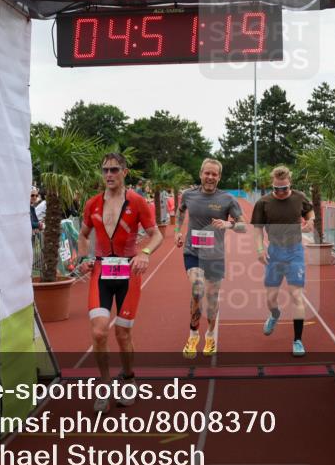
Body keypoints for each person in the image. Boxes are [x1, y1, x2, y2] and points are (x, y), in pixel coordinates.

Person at [76, 153, 162, 413]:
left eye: (114, 170)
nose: (109, 175)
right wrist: (84, 258)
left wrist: (145, 253)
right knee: (99, 331)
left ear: (125, 172)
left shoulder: (137, 202)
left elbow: (155, 234)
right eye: (105, 170)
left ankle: (128, 377)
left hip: (128, 274)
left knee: (122, 333)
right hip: (101, 272)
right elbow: (83, 235)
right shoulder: (92, 204)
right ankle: (104, 385)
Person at [176, 158, 245, 358]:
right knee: (197, 290)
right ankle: (193, 334)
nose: (210, 177)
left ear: (219, 177)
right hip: (193, 252)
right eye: (207, 173)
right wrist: (177, 231)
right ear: (201, 173)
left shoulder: (227, 199)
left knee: (212, 299)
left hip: (215, 255)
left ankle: (210, 335)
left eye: (214, 174)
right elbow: (180, 212)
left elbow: (243, 226)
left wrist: (228, 225)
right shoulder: (188, 195)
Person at [250, 166, 314, 357]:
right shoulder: (263, 203)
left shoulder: (299, 197)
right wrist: (260, 249)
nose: (281, 192)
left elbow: (309, 212)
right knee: (271, 298)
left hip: (295, 252)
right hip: (274, 253)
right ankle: (275, 314)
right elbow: (257, 229)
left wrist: (310, 221)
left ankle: (297, 340)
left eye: (284, 188)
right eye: (277, 189)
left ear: (290, 184)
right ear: (272, 185)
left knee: (296, 296)